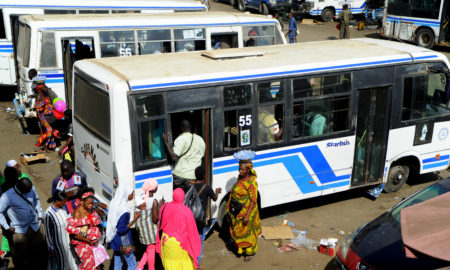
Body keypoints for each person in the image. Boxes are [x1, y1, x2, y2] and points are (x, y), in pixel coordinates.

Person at [0, 178, 47, 269]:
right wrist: (6, 227)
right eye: (27, 190)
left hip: (35, 226)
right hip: (20, 231)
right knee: (23, 257)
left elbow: (36, 200)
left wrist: (40, 214)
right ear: (20, 187)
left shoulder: (31, 188)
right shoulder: (7, 196)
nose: (30, 191)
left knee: (40, 252)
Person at [227, 150, 261, 261]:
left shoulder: (251, 183)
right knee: (238, 230)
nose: (240, 171)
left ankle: (250, 252)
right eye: (239, 169)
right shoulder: (240, 178)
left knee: (247, 232)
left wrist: (247, 215)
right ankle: (240, 247)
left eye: (242, 169)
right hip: (237, 211)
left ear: (248, 169)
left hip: (247, 212)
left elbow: (253, 200)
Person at [156, 188, 201, 270]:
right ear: (183, 197)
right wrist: (196, 247)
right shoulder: (186, 211)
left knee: (169, 265)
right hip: (179, 245)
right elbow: (192, 231)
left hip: (165, 242)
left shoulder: (164, 206)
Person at [162, 120, 205, 191]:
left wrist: (165, 142)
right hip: (194, 176)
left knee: (178, 196)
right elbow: (202, 156)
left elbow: (174, 157)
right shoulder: (200, 139)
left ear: (181, 128)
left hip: (180, 175)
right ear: (191, 127)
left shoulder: (181, 139)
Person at [191, 166, 221, 265]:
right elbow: (215, 199)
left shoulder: (191, 187)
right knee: (200, 242)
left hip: (192, 218)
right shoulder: (207, 188)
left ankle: (191, 261)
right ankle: (197, 264)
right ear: (204, 176)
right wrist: (216, 192)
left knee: (192, 241)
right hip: (201, 219)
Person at [66, 188, 102, 270]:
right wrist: (89, 241)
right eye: (88, 203)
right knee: (88, 266)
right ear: (82, 201)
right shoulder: (78, 212)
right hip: (82, 244)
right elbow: (74, 234)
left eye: (92, 203)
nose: (91, 205)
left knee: (96, 265)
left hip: (92, 243)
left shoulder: (90, 209)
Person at [44, 191, 78, 270]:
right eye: (64, 201)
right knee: (63, 265)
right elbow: (48, 232)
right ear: (57, 201)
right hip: (59, 245)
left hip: (68, 242)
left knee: (73, 263)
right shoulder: (49, 213)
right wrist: (50, 248)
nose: (65, 203)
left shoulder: (63, 209)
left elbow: (67, 219)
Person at [106, 185, 137, 270]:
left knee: (118, 262)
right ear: (126, 194)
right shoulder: (124, 210)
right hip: (124, 240)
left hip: (115, 238)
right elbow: (122, 229)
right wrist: (134, 220)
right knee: (132, 264)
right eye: (132, 194)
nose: (132, 196)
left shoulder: (114, 203)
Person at [134, 179, 159, 270]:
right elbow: (155, 219)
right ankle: (151, 268)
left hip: (142, 230)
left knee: (149, 248)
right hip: (151, 231)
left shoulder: (139, 197)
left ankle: (140, 267)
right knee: (151, 249)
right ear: (153, 189)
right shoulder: (154, 201)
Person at [34, 79, 59, 152]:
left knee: (47, 132)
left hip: (50, 115)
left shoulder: (45, 94)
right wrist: (40, 120)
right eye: (44, 87)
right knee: (49, 131)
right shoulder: (39, 97)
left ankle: (46, 147)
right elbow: (37, 110)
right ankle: (38, 144)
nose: (46, 88)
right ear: (40, 88)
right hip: (44, 117)